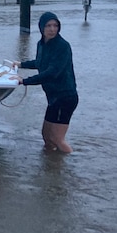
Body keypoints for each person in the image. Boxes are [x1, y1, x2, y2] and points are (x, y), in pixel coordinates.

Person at [15, 11, 78, 153]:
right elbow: (40, 63)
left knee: (57, 138)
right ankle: (51, 166)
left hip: (65, 97)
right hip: (53, 97)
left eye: (55, 25)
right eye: (48, 26)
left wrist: (24, 81)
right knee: (46, 136)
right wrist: (20, 64)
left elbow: (51, 73)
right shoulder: (41, 44)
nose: (52, 29)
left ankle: (70, 167)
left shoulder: (63, 46)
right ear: (41, 28)